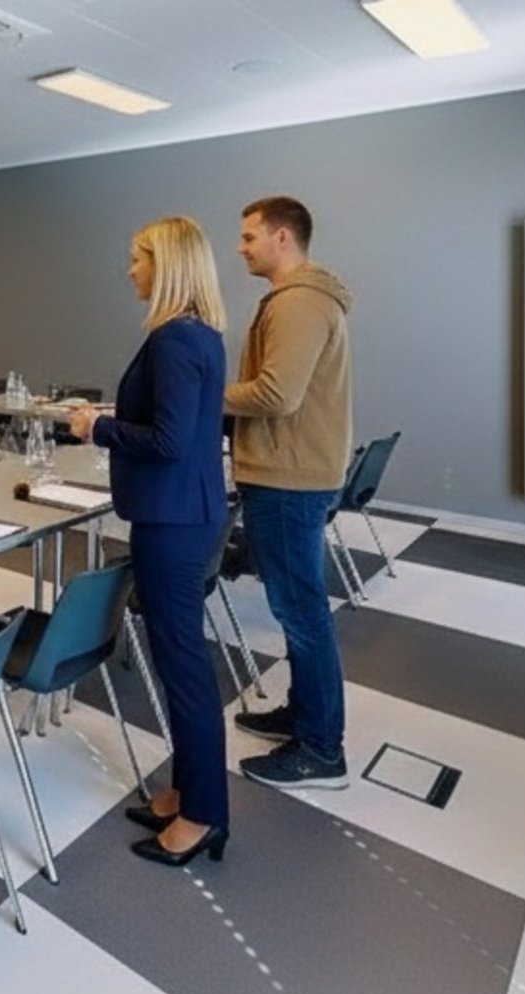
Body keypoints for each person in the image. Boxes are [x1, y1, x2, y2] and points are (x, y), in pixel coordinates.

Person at [70, 216, 230, 866]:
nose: (129, 271)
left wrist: (98, 426)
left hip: (171, 522)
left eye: (136, 260)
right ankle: (186, 790)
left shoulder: (172, 340)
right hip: (185, 514)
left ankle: (204, 814)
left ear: (163, 266)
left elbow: (165, 441)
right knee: (178, 662)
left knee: (184, 669)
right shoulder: (202, 335)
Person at [226, 195, 355, 790]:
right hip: (295, 473)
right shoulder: (300, 299)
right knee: (299, 609)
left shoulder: (299, 303)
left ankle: (322, 751)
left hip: (287, 477)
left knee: (301, 613)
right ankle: (305, 719)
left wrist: (205, 394)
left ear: (283, 238)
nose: (242, 246)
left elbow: (278, 395)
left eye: (250, 236)